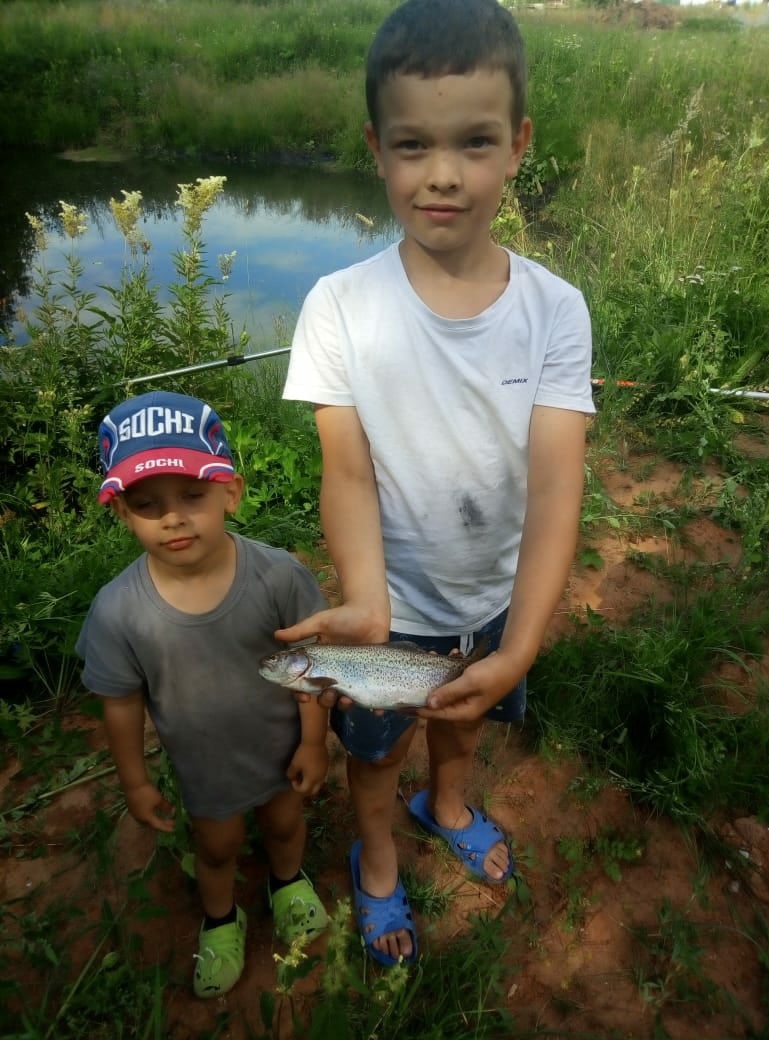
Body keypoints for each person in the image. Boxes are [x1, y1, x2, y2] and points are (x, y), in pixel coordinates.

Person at [278, 0, 595, 966]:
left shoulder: (555, 309)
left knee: (466, 720)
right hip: (395, 609)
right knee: (373, 753)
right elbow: (349, 473)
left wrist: (522, 641)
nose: (444, 174)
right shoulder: (339, 307)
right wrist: (368, 599)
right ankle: (378, 859)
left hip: (498, 598)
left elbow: (554, 491)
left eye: (475, 141)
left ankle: (448, 801)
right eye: (413, 144)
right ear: (376, 147)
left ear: (518, 145)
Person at [76, 390, 330, 998]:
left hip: (281, 749)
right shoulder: (117, 611)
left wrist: (316, 741)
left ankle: (287, 881)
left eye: (193, 495)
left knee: (285, 821)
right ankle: (220, 920)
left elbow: (313, 666)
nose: (173, 517)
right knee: (215, 846)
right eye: (147, 504)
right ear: (121, 512)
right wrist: (136, 781)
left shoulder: (278, 577)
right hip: (206, 770)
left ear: (230, 493)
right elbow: (120, 701)